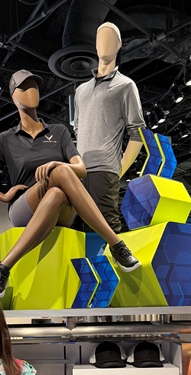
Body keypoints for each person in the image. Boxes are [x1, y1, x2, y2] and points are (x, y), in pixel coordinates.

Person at [0, 69, 140, 298]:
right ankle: (117, 245)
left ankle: (3, 268)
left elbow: (81, 169)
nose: (31, 91)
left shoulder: (58, 131)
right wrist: (3, 196)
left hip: (62, 209)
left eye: (34, 86)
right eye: (24, 87)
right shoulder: (6, 138)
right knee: (60, 176)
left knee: (58, 189)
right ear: (14, 97)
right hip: (24, 206)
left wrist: (57, 163)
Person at [74, 22, 145, 233]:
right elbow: (78, 129)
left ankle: (121, 255)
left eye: (111, 39)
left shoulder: (126, 85)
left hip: (105, 170)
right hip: (78, 171)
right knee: (74, 228)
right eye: (101, 39)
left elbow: (137, 133)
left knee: (109, 228)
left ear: (119, 45)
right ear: (95, 45)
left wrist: (119, 169)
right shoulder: (80, 90)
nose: (105, 43)